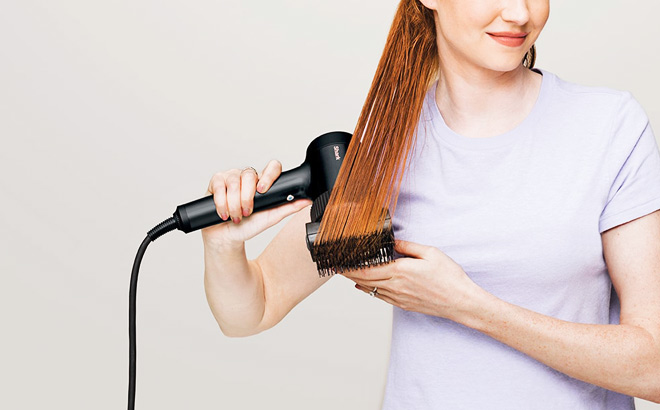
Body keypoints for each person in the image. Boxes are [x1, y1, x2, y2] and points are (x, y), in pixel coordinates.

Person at [201, 0, 660, 408]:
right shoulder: (385, 147)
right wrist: (223, 247)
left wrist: (469, 306)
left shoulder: (609, 129)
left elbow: (653, 366)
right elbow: (254, 309)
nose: (521, 13)